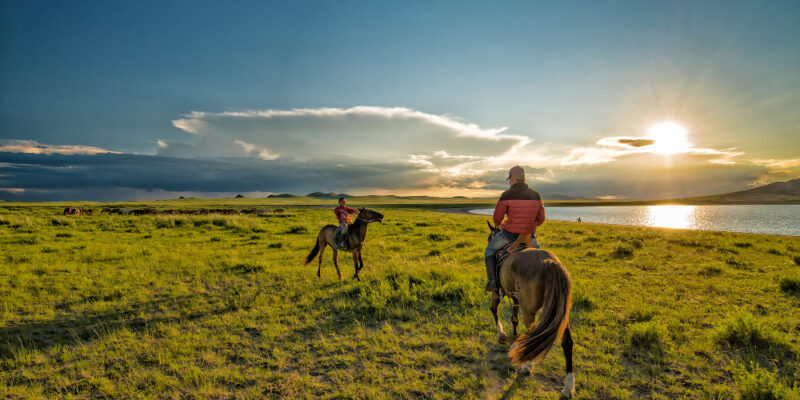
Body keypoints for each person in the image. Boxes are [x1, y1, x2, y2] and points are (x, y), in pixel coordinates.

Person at [484, 166, 546, 291]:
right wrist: (530, 227)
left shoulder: (506, 195)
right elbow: (541, 218)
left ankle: (493, 283)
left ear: (512, 179)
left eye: (509, 179)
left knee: (489, 250)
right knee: (542, 259)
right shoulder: (536, 195)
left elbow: (497, 218)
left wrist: (500, 224)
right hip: (530, 236)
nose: (509, 181)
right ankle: (544, 285)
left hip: (508, 235)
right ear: (523, 178)